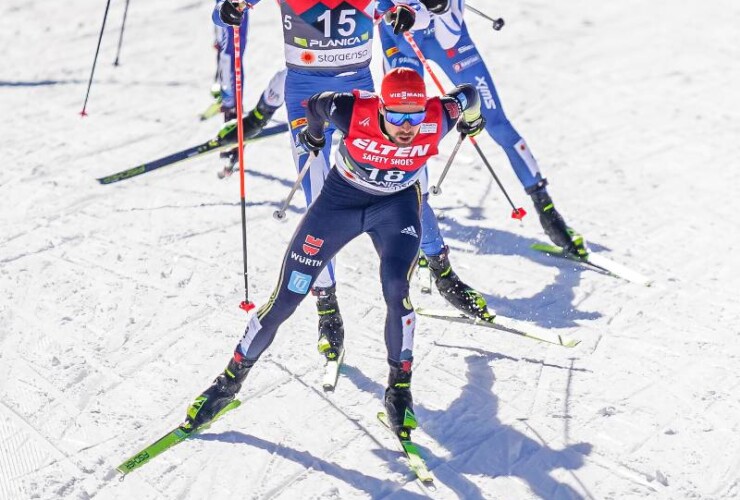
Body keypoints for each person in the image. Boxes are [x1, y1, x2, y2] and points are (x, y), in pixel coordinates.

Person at [182, 68, 485, 439]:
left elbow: (468, 93)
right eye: (396, 116)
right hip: (339, 205)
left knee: (396, 290)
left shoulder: (439, 116)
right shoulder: (352, 109)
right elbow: (316, 105)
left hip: (396, 208)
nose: (407, 127)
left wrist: (474, 120)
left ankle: (399, 389)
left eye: (415, 116)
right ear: (381, 109)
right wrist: (314, 135)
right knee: (286, 299)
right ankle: (227, 383)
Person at [212, 0, 459, 369]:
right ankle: (326, 304)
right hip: (304, 95)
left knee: (403, 177)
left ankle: (439, 264)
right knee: (315, 189)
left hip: (358, 96)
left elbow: (422, 11)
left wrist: (412, 12)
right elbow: (224, 11)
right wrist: (231, 7)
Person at [378, 0, 588, 259]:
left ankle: (548, 212)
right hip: (402, 43)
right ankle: (416, 225)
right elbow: (382, 22)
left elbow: (449, 36)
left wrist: (437, 8)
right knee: (407, 133)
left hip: (449, 40)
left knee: (498, 123)